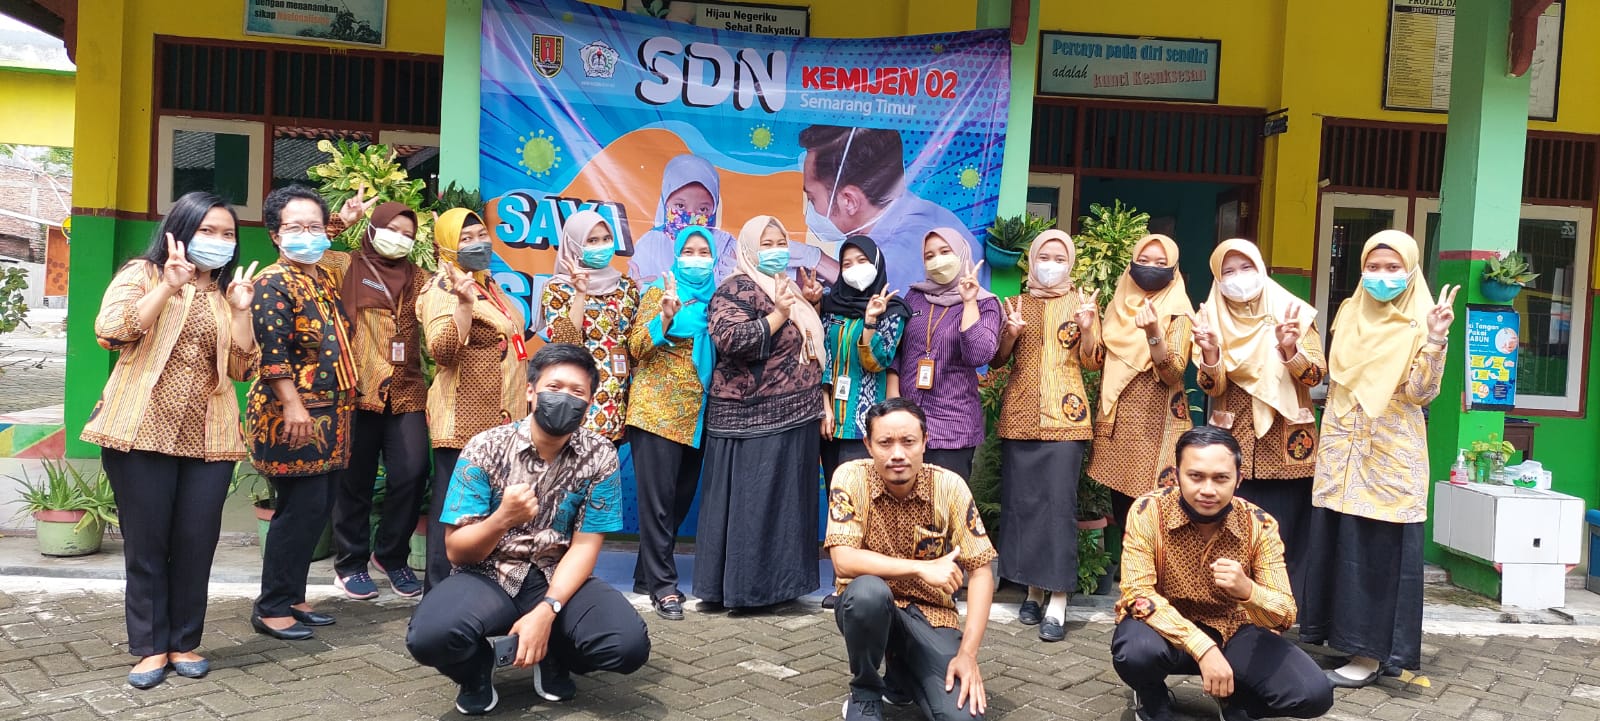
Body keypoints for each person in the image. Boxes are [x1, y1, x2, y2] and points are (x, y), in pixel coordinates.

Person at [405, 343, 651, 716]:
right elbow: (456, 549)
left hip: (556, 574)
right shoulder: (486, 448)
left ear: (589, 403)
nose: (565, 398)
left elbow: (585, 545)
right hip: (487, 575)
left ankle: (553, 655)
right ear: (531, 391)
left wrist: (547, 610)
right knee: (430, 637)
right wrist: (502, 518)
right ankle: (476, 670)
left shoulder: (600, 455)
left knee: (627, 645)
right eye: (554, 387)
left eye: (577, 392)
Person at [81, 192, 259, 688]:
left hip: (208, 438)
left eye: (228, 234)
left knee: (196, 542)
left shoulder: (227, 294)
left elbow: (244, 367)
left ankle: (185, 641)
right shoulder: (143, 273)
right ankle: (150, 647)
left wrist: (242, 312)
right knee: (147, 544)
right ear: (179, 230)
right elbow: (111, 331)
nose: (219, 241)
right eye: (208, 231)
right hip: (140, 430)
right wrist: (167, 287)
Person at [1300, 230, 1458, 688]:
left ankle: (1370, 657)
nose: (1381, 276)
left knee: (1374, 555)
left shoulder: (1421, 321)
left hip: (1388, 458)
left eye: (1393, 268)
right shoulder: (1350, 312)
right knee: (1341, 548)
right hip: (1341, 455)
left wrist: (1435, 339)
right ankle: (1346, 643)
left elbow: (1421, 393)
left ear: (1410, 271)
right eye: (1373, 267)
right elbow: (1336, 382)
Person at [1111, 426, 1335, 721]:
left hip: (1233, 631)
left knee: (1313, 694)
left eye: (1221, 478)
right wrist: (1203, 648)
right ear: (1177, 475)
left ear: (1238, 480)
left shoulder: (1260, 525)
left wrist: (1248, 591)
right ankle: (1152, 697)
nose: (1207, 489)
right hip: (1163, 632)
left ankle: (1232, 695)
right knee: (1136, 652)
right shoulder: (1148, 511)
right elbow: (1137, 594)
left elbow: (1284, 614)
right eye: (1195, 476)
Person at [826, 398, 996, 721]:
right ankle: (865, 692)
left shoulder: (950, 487)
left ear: (925, 442)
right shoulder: (850, 478)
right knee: (868, 594)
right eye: (885, 443)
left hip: (931, 616)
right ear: (868, 444)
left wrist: (968, 654)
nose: (897, 454)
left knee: (963, 717)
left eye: (908, 442)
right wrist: (922, 568)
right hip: (869, 607)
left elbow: (981, 571)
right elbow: (843, 560)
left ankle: (900, 679)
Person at [695, 215, 828, 611]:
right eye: (766, 244)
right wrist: (778, 315)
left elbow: (803, 346)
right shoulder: (735, 287)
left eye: (780, 242)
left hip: (797, 417)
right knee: (753, 507)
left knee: (786, 509)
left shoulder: (788, 289)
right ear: (750, 249)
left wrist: (807, 305)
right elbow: (730, 339)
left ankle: (779, 589)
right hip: (749, 420)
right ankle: (743, 592)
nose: (775, 251)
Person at [246, 185, 356, 640]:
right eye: (295, 227)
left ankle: (292, 596)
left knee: (316, 509)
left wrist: (342, 221)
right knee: (297, 510)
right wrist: (293, 405)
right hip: (292, 416)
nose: (308, 235)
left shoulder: (320, 276)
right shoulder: (272, 282)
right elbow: (272, 354)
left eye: (316, 226)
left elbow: (322, 236)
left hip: (331, 416)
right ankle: (271, 606)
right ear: (275, 234)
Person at [1191, 239, 1326, 603]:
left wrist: (1290, 348)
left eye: (1246, 267)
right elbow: (1210, 386)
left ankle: (1281, 612)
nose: (1239, 278)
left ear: (1261, 268)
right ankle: (1232, 612)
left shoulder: (1293, 313)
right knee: (1231, 534)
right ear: (1218, 279)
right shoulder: (1210, 319)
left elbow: (1315, 376)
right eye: (1228, 271)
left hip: (1287, 447)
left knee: (1287, 536)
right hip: (1233, 446)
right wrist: (1211, 351)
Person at [992, 230, 1099, 643]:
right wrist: (1010, 333)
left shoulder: (1082, 303)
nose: (1050, 264)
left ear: (1069, 263)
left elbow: (1093, 361)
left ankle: (1058, 598)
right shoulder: (1018, 302)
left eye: (1059, 258)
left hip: (1066, 419)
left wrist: (1088, 328)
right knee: (1023, 506)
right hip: (1020, 416)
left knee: (1058, 507)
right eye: (1044, 257)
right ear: (1032, 260)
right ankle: (1033, 590)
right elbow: (998, 360)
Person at [418, 208, 530, 592]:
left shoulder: (488, 283)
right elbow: (442, 351)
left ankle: (475, 586)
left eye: (481, 235)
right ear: (446, 246)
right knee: (453, 510)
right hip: (463, 421)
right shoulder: (443, 289)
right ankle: (438, 592)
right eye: (465, 239)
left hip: (499, 420)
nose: (478, 243)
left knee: (482, 509)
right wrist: (464, 305)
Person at [329, 196, 430, 601]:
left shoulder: (419, 277)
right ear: (372, 229)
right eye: (392, 230)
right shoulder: (345, 265)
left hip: (406, 390)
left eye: (407, 234)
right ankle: (350, 563)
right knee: (355, 480)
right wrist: (339, 222)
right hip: (356, 389)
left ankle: (391, 555)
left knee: (412, 473)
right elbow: (306, 259)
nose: (399, 239)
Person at [625, 225, 718, 621]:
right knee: (658, 505)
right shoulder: (658, 293)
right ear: (677, 255)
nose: (696, 258)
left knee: (678, 501)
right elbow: (635, 348)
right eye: (689, 251)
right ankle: (663, 588)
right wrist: (664, 317)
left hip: (697, 414)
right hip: (656, 411)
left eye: (703, 251)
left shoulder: (717, 300)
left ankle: (644, 575)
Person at [1085, 234, 1195, 527]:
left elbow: (1173, 373)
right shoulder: (1118, 306)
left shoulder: (1179, 311)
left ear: (1173, 268)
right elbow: (1095, 361)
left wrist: (1153, 333)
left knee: (1158, 516)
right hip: (1118, 428)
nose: (1151, 268)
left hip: (1158, 430)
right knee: (1125, 517)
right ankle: (1128, 560)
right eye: (1143, 261)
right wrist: (1087, 329)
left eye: (1161, 263)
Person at [800, 125, 982, 292]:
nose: (809, 209)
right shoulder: (912, 213)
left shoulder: (908, 247)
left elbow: (879, 303)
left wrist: (816, 260)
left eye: (812, 198)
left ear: (849, 201)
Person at [888, 228, 999, 480]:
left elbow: (979, 355)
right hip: (908, 420)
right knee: (905, 500)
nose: (937, 260)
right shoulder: (915, 297)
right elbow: (897, 351)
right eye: (930, 256)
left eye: (945, 252)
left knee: (945, 501)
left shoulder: (985, 303)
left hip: (953, 425)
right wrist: (894, 400)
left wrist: (969, 302)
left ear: (961, 253)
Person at [629, 153, 833, 284]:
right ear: (665, 202)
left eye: (703, 209)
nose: (691, 216)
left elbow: (779, 272)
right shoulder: (649, 245)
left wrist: (814, 258)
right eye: (680, 206)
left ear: (714, 209)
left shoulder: (726, 246)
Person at [538, 210, 641, 444]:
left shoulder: (626, 286)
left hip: (616, 402)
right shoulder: (558, 288)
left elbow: (634, 347)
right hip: (577, 400)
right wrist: (580, 293)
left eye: (606, 239)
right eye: (592, 241)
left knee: (607, 465)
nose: (601, 246)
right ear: (574, 244)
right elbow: (564, 344)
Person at [820, 235, 909, 482]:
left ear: (876, 263)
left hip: (869, 425)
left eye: (862, 260)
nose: (855, 269)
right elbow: (823, 359)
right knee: (837, 494)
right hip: (830, 424)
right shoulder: (831, 305)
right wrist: (824, 406)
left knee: (864, 495)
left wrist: (870, 322)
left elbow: (877, 362)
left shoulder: (892, 311)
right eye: (847, 264)